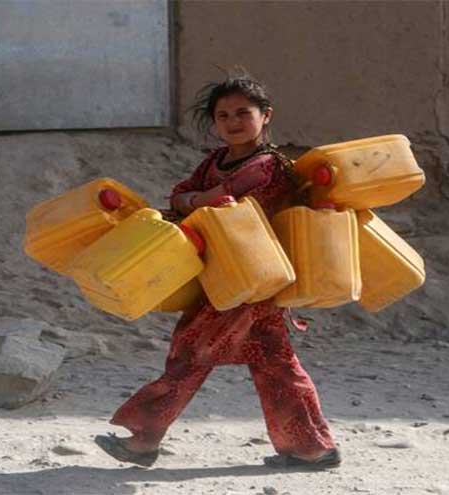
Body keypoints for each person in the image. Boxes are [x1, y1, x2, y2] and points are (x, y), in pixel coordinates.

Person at [93, 72, 340, 469]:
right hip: (228, 277)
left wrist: (196, 200)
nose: (233, 122)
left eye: (243, 113)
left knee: (192, 352)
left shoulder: (269, 167)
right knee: (275, 365)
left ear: (266, 115)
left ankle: (143, 438)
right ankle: (311, 448)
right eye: (223, 115)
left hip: (250, 280)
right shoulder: (216, 161)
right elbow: (183, 195)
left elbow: (221, 202)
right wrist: (197, 199)